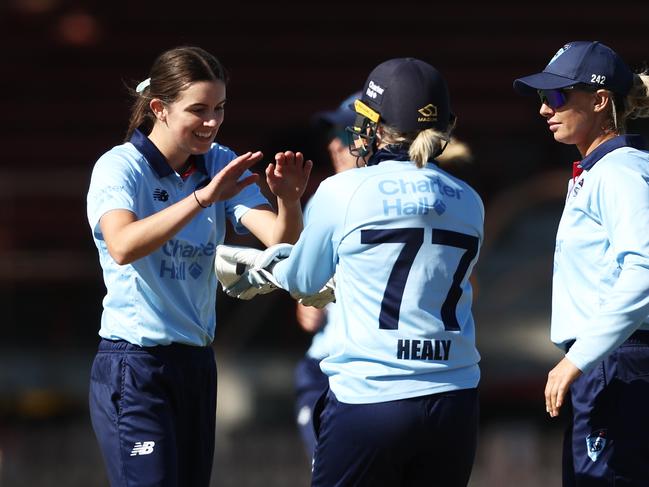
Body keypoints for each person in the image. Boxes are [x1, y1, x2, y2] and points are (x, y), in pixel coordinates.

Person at [85, 46, 312, 487]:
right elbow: (122, 245)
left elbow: (282, 242)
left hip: (195, 364)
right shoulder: (121, 167)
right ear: (159, 109)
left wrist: (288, 199)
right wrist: (203, 199)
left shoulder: (217, 161)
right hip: (136, 364)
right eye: (199, 110)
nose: (212, 122)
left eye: (220, 109)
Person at [267, 58, 484, 486]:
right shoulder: (469, 200)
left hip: (372, 397)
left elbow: (302, 282)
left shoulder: (341, 191)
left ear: (375, 126)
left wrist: (265, 260)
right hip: (454, 399)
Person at [514, 40, 649, 485]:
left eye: (556, 96)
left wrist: (580, 359)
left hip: (614, 363)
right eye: (542, 98)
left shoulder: (619, 172)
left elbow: (644, 268)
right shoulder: (603, 170)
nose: (544, 109)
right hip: (611, 360)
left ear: (600, 100)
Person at [293, 91, 361, 461]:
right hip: (328, 366)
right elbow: (305, 280)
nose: (335, 143)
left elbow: (467, 288)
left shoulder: (418, 200)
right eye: (334, 133)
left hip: (385, 372)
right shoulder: (326, 197)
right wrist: (305, 301)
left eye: (347, 133)